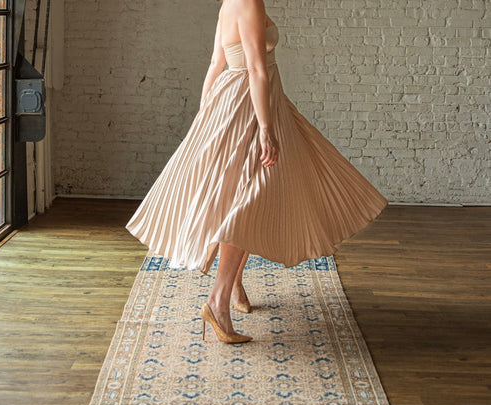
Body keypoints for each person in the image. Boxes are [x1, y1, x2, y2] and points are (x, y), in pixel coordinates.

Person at [126, 0, 388, 343]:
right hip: (247, 107)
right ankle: (218, 301)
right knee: (251, 196)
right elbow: (256, 69)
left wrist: (206, 113)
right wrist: (265, 128)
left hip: (237, 101)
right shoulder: (250, 2)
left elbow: (216, 63)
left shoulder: (229, 3)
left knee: (251, 194)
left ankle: (233, 283)